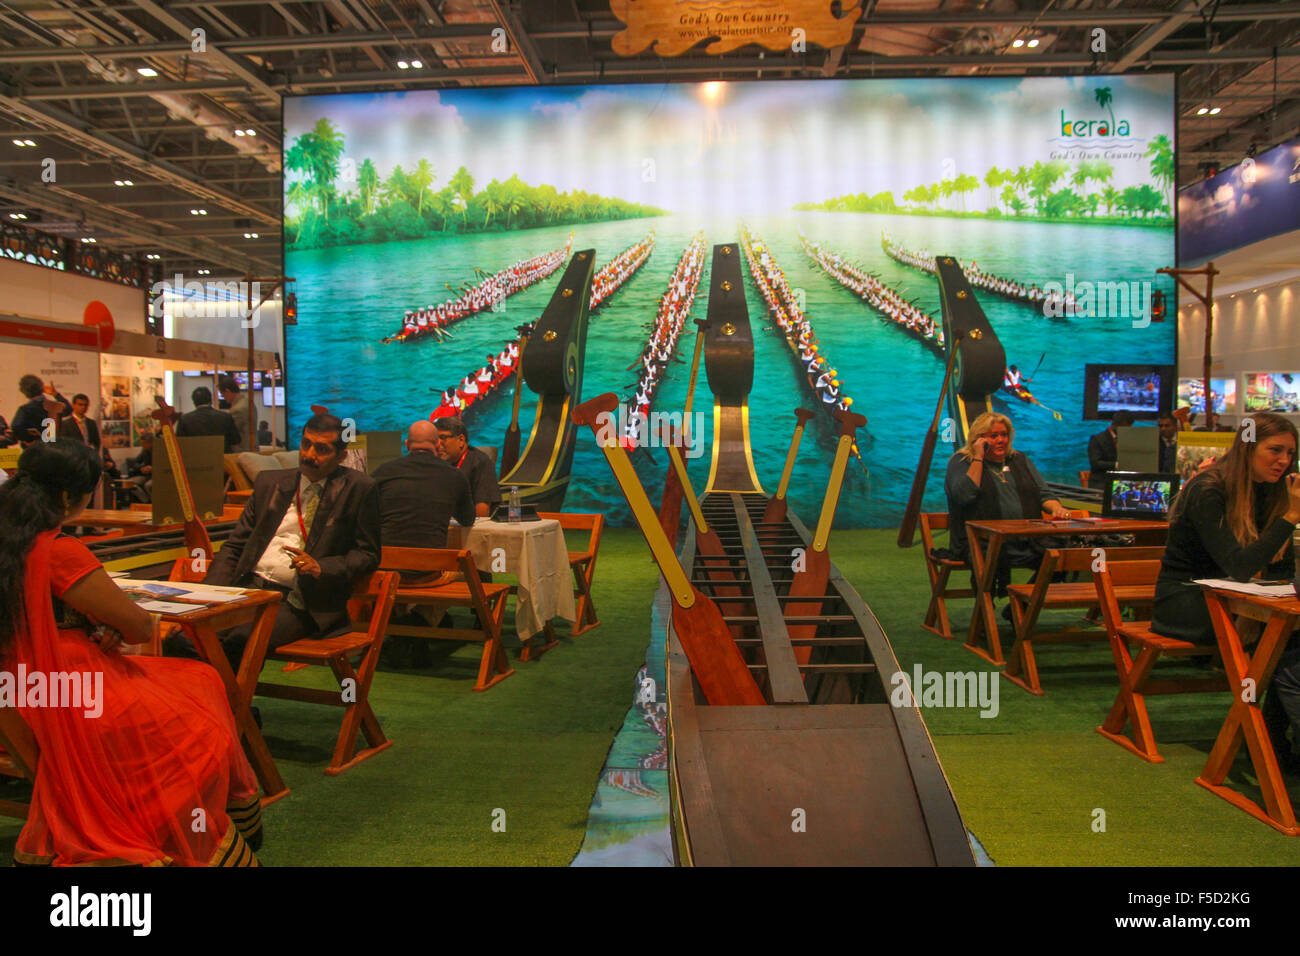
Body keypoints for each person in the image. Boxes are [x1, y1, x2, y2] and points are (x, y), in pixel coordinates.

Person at [0, 440, 262, 866]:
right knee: (201, 690)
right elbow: (139, 625)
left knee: (190, 685)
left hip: (21, 688)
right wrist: (108, 624)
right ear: (69, 497)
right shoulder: (59, 550)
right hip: (72, 689)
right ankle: (194, 819)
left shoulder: (11, 542)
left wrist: (89, 624)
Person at [176, 410, 380, 670]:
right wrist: (208, 595)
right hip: (248, 589)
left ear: (341, 457)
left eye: (321, 449)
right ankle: (210, 706)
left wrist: (322, 567)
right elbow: (235, 546)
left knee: (239, 641)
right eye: (306, 444)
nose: (309, 455)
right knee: (186, 637)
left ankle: (232, 709)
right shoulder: (270, 483)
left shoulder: (359, 489)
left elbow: (368, 554)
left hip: (300, 601)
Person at [1150, 413, 1300, 768]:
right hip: (1184, 601)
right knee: (1284, 640)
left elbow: (1280, 570)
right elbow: (1239, 565)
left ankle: (1274, 743)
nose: (1284, 461)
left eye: (1290, 453)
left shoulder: (1272, 489)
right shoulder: (1209, 489)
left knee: (1290, 637)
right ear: (1248, 448)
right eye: (1275, 450)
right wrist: (1290, 518)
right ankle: (1270, 745)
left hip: (1234, 596)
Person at [945, 412, 1072, 597]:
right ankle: (988, 616)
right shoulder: (961, 462)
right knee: (988, 558)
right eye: (993, 436)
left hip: (1026, 539)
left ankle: (1021, 607)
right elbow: (964, 495)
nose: (1000, 440)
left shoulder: (1019, 459)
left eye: (1004, 435)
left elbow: (1044, 495)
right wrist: (978, 457)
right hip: (980, 542)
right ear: (978, 439)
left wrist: (1057, 508)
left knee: (1066, 556)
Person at [433, 416, 500, 517]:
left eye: (443, 438)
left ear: (461, 440)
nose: (438, 444)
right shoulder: (436, 463)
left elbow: (482, 512)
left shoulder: (480, 462)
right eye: (435, 440)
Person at [176, 386, 241, 452]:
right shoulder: (226, 417)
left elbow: (179, 444)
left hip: (195, 458)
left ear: (194, 402)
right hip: (222, 458)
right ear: (211, 400)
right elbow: (235, 440)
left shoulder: (185, 420)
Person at [10, 375, 70, 446]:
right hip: (53, 448)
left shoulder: (25, 410)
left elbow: (15, 427)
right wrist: (55, 394)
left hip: (34, 449)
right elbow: (69, 409)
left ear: (25, 391)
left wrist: (28, 439)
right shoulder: (55, 406)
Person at [1088, 410, 1134, 483]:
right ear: (1117, 424)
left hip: (1123, 480)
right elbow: (1095, 463)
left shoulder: (1130, 439)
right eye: (1126, 427)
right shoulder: (1097, 439)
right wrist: (1117, 465)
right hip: (1102, 481)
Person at [218, 376, 251, 452]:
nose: (224, 398)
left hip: (242, 450)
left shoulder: (238, 409)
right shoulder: (248, 402)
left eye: (223, 395)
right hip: (250, 447)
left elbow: (231, 431)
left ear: (227, 391)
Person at [125, 432, 154, 503]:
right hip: (146, 475)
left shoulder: (160, 450)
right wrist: (141, 468)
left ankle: (154, 503)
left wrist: (153, 468)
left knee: (148, 485)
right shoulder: (144, 451)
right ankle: (146, 501)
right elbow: (135, 462)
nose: (142, 445)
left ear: (151, 443)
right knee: (129, 483)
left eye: (144, 443)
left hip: (157, 475)